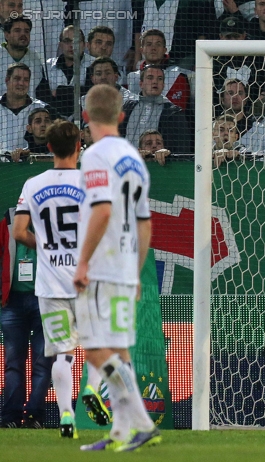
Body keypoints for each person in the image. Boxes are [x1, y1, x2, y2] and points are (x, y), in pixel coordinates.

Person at [74, 84, 160, 451]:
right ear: (122, 116)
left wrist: (82, 261)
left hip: (102, 267)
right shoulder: (132, 156)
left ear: (85, 117)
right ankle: (121, 432)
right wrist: (137, 270)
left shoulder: (95, 155)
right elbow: (144, 222)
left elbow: (103, 209)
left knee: (94, 349)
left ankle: (142, 423)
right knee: (119, 351)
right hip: (125, 266)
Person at [12, 120, 111, 438]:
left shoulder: (32, 184)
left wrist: (47, 245)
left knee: (61, 354)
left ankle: (66, 415)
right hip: (88, 278)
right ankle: (91, 392)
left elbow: (17, 232)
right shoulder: (93, 182)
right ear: (80, 147)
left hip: (50, 284)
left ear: (49, 147)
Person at [0, 207, 51, 429]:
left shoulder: (52, 218)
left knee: (43, 362)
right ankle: (10, 416)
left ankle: (34, 416)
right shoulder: (8, 221)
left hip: (45, 300)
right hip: (12, 302)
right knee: (13, 363)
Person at [120, 64, 191, 154]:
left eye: (160, 79)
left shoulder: (174, 113)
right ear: (141, 84)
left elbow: (182, 149)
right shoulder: (127, 108)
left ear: (163, 85)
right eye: (150, 78)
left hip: (158, 166)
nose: (155, 82)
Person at [0, 62, 52, 158]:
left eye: (26, 80)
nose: (21, 83)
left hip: (28, 167)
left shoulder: (42, 108)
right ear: (7, 80)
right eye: (17, 79)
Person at [0, 15, 44, 99]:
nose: (23, 34)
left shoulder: (35, 59)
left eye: (26, 31)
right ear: (6, 35)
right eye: (17, 31)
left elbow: (40, 92)